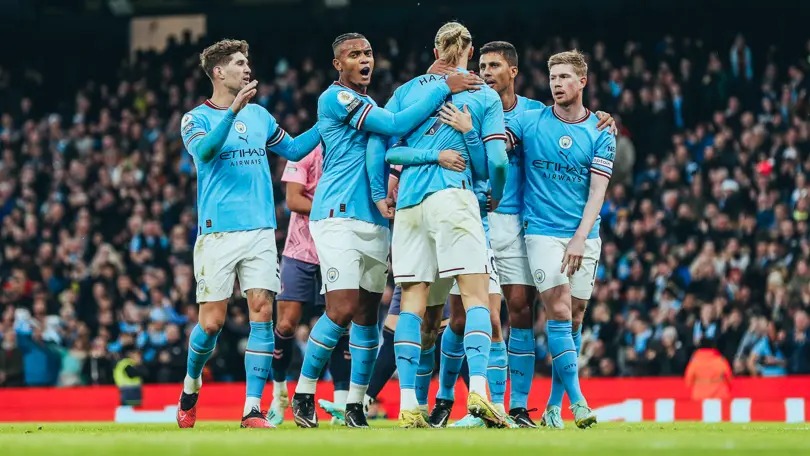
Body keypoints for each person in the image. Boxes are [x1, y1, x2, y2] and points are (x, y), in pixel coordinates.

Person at [291, 32, 481, 429]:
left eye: (368, 53)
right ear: (337, 65)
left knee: (366, 317)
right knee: (340, 308)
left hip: (377, 221)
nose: (364, 59)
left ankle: (357, 404)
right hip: (337, 216)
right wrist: (444, 85)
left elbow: (297, 147)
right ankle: (304, 392)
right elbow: (395, 124)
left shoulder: (369, 104)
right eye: (353, 54)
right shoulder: (336, 98)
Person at [176, 38, 322, 429]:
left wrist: (327, 124)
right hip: (218, 233)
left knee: (262, 313)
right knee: (211, 324)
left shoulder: (258, 115)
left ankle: (252, 409)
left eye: (247, 62)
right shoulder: (195, 118)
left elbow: (293, 150)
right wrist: (232, 112)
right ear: (219, 72)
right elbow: (204, 153)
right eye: (239, 63)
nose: (247, 68)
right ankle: (191, 385)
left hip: (260, 229)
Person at [371, 21, 509, 428]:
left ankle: (410, 402)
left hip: (410, 206)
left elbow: (388, 150)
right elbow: (495, 163)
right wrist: (493, 193)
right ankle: (480, 392)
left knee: (412, 303)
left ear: (435, 47)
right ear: (471, 50)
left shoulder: (407, 91)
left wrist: (386, 191)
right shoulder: (482, 94)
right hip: (454, 197)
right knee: (475, 298)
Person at [505, 49, 616, 429]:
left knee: (575, 318)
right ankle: (579, 402)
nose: (557, 84)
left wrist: (580, 238)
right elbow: (501, 136)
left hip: (583, 234)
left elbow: (597, 193)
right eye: (553, 78)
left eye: (565, 77)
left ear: (582, 82)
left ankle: (553, 404)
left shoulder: (601, 131)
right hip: (541, 232)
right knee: (560, 309)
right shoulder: (533, 121)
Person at [268, 145, 352, 426]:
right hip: (300, 251)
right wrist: (337, 209)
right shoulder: (304, 152)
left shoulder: (350, 151)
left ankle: (341, 404)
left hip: (337, 249)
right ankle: (279, 393)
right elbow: (293, 200)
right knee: (286, 324)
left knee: (339, 323)